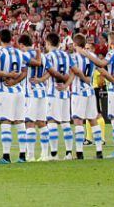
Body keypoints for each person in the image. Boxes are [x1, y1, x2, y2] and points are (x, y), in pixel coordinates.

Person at [0, 29, 26, 164]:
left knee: (6, 122)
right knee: (19, 122)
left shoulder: (0, 52)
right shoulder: (19, 52)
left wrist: (9, 76)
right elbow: (24, 71)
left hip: (6, 91)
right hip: (19, 91)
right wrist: (15, 81)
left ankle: (6, 156)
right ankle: (22, 155)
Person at [69, 34, 104, 159]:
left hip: (79, 92)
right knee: (93, 120)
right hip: (90, 92)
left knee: (78, 121)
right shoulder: (92, 56)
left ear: (74, 44)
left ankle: (79, 153)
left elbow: (74, 73)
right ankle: (99, 150)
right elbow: (100, 65)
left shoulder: (74, 57)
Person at [43, 33, 74, 161]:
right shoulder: (66, 55)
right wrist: (66, 85)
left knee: (52, 122)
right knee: (66, 122)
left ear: (48, 43)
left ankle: (54, 154)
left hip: (53, 92)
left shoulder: (47, 57)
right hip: (65, 94)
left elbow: (49, 73)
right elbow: (73, 72)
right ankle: (68, 153)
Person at [19, 34, 47, 162]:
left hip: (30, 93)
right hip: (42, 92)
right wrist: (41, 80)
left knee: (29, 123)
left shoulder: (24, 55)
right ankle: (45, 154)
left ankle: (30, 156)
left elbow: (22, 73)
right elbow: (50, 71)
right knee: (42, 123)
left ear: (22, 45)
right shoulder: (43, 55)